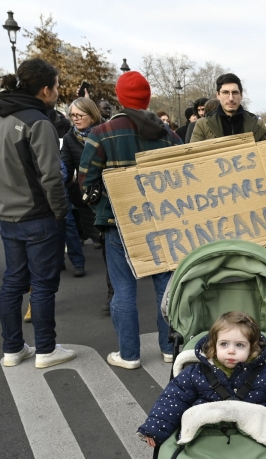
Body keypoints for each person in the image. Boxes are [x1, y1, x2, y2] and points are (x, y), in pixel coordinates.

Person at [79, 71, 175, 369]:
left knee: (123, 290)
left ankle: (130, 354)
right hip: (161, 221)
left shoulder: (101, 133)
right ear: (146, 99)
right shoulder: (167, 135)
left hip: (118, 223)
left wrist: (103, 206)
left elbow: (86, 181)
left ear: (120, 98)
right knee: (166, 286)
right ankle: (170, 346)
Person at [0, 59, 76, 368]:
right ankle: (46, 349)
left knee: (13, 282)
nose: (58, 92)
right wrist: (60, 211)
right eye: (57, 86)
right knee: (43, 285)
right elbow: (51, 177)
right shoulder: (39, 123)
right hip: (38, 215)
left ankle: (12, 348)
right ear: (46, 89)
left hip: (8, 214)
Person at [137, 311, 266, 446]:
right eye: (224, 344)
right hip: (205, 434)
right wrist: (155, 429)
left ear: (253, 347)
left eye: (240, 345)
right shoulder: (196, 372)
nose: (231, 351)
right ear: (214, 344)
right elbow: (173, 399)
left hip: (253, 435)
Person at [62, 97, 105, 280]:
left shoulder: (105, 132)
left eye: (80, 115)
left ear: (92, 115)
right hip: (86, 195)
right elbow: (65, 165)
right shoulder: (69, 137)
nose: (76, 119)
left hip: (108, 191)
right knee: (98, 235)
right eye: (73, 115)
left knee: (111, 240)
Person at [191, 73, 266, 143]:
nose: (231, 98)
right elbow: (195, 155)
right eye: (225, 92)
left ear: (241, 95)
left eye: (235, 92)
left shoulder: (257, 125)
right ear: (218, 95)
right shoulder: (203, 125)